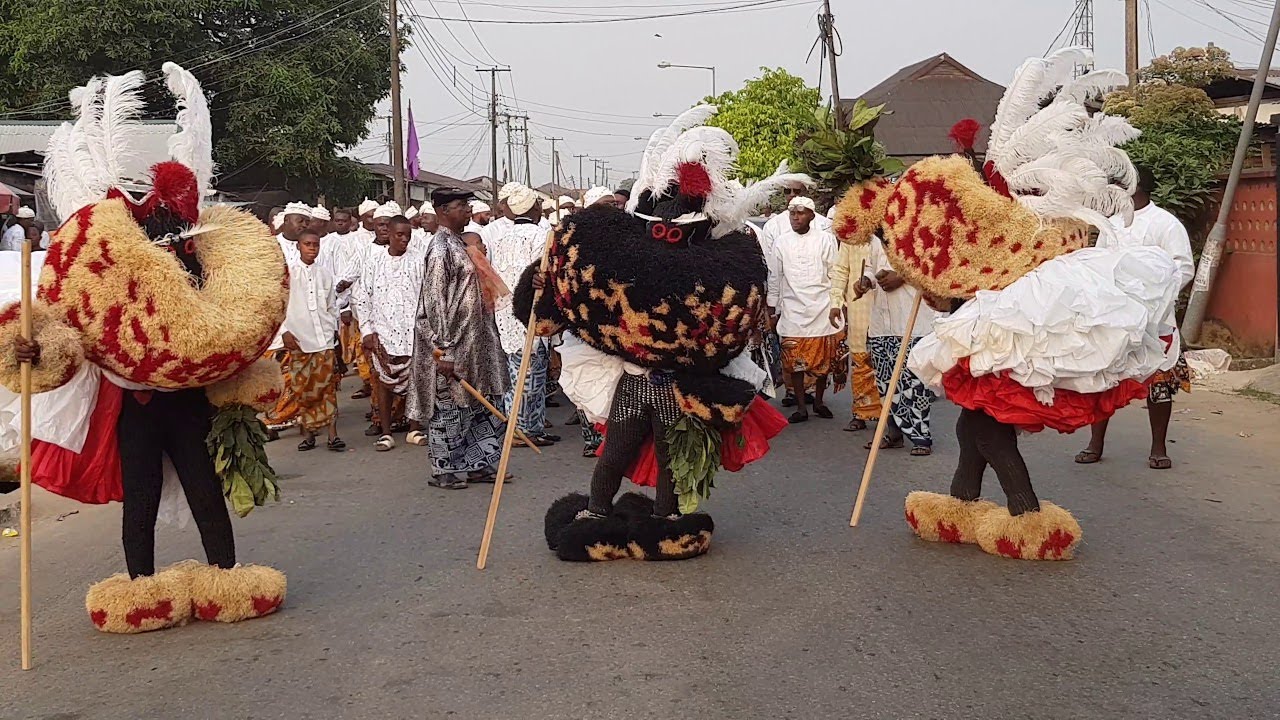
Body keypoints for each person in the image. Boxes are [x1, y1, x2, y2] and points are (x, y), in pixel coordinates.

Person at [1074, 166, 1195, 470]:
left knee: (1159, 382)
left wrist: (1154, 294)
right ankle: (1095, 443)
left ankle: (1158, 448)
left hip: (1156, 319)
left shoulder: (1166, 224)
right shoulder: (1111, 225)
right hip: (1115, 317)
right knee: (1104, 381)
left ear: (1136, 186)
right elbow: (1098, 265)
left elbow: (1183, 268)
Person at [405, 188, 509, 489]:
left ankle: (479, 462)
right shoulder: (440, 249)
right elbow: (435, 302)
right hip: (452, 344)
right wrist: (443, 349)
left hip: (477, 342)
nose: (467, 211)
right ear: (442, 210)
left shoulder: (461, 244)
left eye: (468, 205)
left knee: (481, 401)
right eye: (461, 206)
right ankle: (445, 468)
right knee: (449, 404)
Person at [489, 185, 557, 448]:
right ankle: (522, 428)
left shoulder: (501, 237)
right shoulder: (542, 236)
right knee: (530, 374)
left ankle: (531, 426)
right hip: (528, 313)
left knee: (517, 372)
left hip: (505, 313)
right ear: (534, 208)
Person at [858, 235, 938, 455]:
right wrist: (865, 282)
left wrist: (901, 277)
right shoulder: (875, 240)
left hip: (912, 320)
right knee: (885, 382)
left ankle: (921, 437)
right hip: (880, 324)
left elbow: (932, 266)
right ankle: (894, 433)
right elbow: (871, 268)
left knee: (914, 383)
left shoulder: (919, 232)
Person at [766, 196, 840, 423]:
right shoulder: (781, 242)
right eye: (791, 213)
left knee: (823, 361)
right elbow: (775, 278)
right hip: (792, 311)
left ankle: (818, 402)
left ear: (811, 215)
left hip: (822, 308)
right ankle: (801, 407)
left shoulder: (826, 240)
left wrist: (838, 304)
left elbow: (835, 274)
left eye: (800, 213)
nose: (795, 217)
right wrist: (772, 308)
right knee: (794, 361)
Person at [354, 215, 424, 451]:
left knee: (415, 381)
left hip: (413, 333)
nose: (404, 240)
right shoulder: (374, 262)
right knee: (383, 384)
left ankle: (414, 428)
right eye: (399, 235)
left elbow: (427, 297)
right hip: (383, 333)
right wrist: (366, 330)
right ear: (389, 235)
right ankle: (386, 432)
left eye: (408, 235)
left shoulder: (418, 261)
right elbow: (362, 297)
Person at [281, 231, 345, 452]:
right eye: (307, 244)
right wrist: (284, 332)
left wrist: (332, 331)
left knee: (327, 387)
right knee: (303, 388)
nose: (312, 248)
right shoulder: (288, 274)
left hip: (323, 339)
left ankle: (332, 435)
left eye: (315, 245)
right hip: (299, 339)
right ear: (298, 246)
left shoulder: (325, 274)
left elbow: (331, 306)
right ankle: (308, 434)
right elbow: (278, 305)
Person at [828, 237, 881, 432]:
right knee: (860, 359)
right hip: (860, 307)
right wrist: (836, 302)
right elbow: (841, 270)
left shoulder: (893, 231)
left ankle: (893, 419)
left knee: (888, 362)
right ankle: (861, 413)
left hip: (891, 306)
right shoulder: (852, 237)